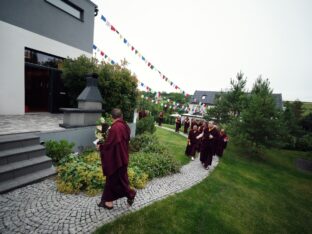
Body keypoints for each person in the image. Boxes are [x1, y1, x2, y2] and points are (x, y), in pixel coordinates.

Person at [97, 108, 136, 210]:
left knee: (119, 181)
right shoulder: (125, 126)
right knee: (113, 180)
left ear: (111, 117)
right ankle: (108, 203)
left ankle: (131, 194)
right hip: (123, 157)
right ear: (121, 115)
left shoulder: (115, 128)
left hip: (117, 160)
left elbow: (110, 145)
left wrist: (100, 147)